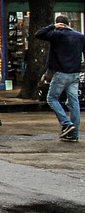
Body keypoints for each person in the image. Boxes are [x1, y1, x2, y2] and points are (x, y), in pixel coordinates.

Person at [35, 14, 85, 142]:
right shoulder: (80, 36)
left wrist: (53, 26)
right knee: (74, 102)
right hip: (75, 73)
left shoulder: (57, 35)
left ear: (59, 24)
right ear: (70, 24)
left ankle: (67, 124)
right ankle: (74, 134)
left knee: (51, 98)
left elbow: (38, 34)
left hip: (61, 73)